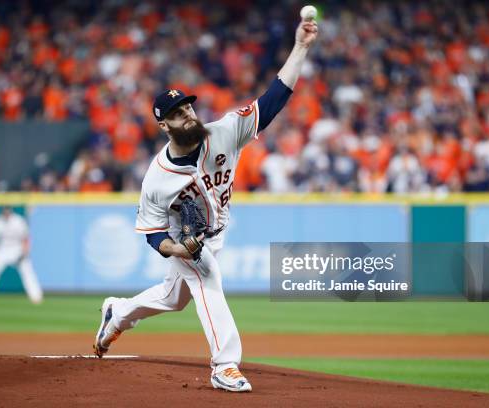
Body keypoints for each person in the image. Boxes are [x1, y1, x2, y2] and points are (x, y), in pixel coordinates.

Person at [93, 16, 319, 392]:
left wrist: (301, 47)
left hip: (216, 232)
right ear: (164, 126)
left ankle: (117, 312)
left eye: (189, 108)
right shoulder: (157, 178)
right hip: (187, 240)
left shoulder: (226, 131)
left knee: (173, 297)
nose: (188, 114)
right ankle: (225, 365)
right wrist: (177, 248)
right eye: (178, 113)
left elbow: (274, 98)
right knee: (207, 280)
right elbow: (152, 234)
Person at [0, 207, 43, 304]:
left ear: (11, 211)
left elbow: (26, 238)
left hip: (17, 250)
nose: (6, 212)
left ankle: (36, 296)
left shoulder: (18, 220)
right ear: (2, 211)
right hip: (2, 250)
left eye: (8, 210)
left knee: (27, 271)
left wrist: (25, 252)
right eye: (5, 210)